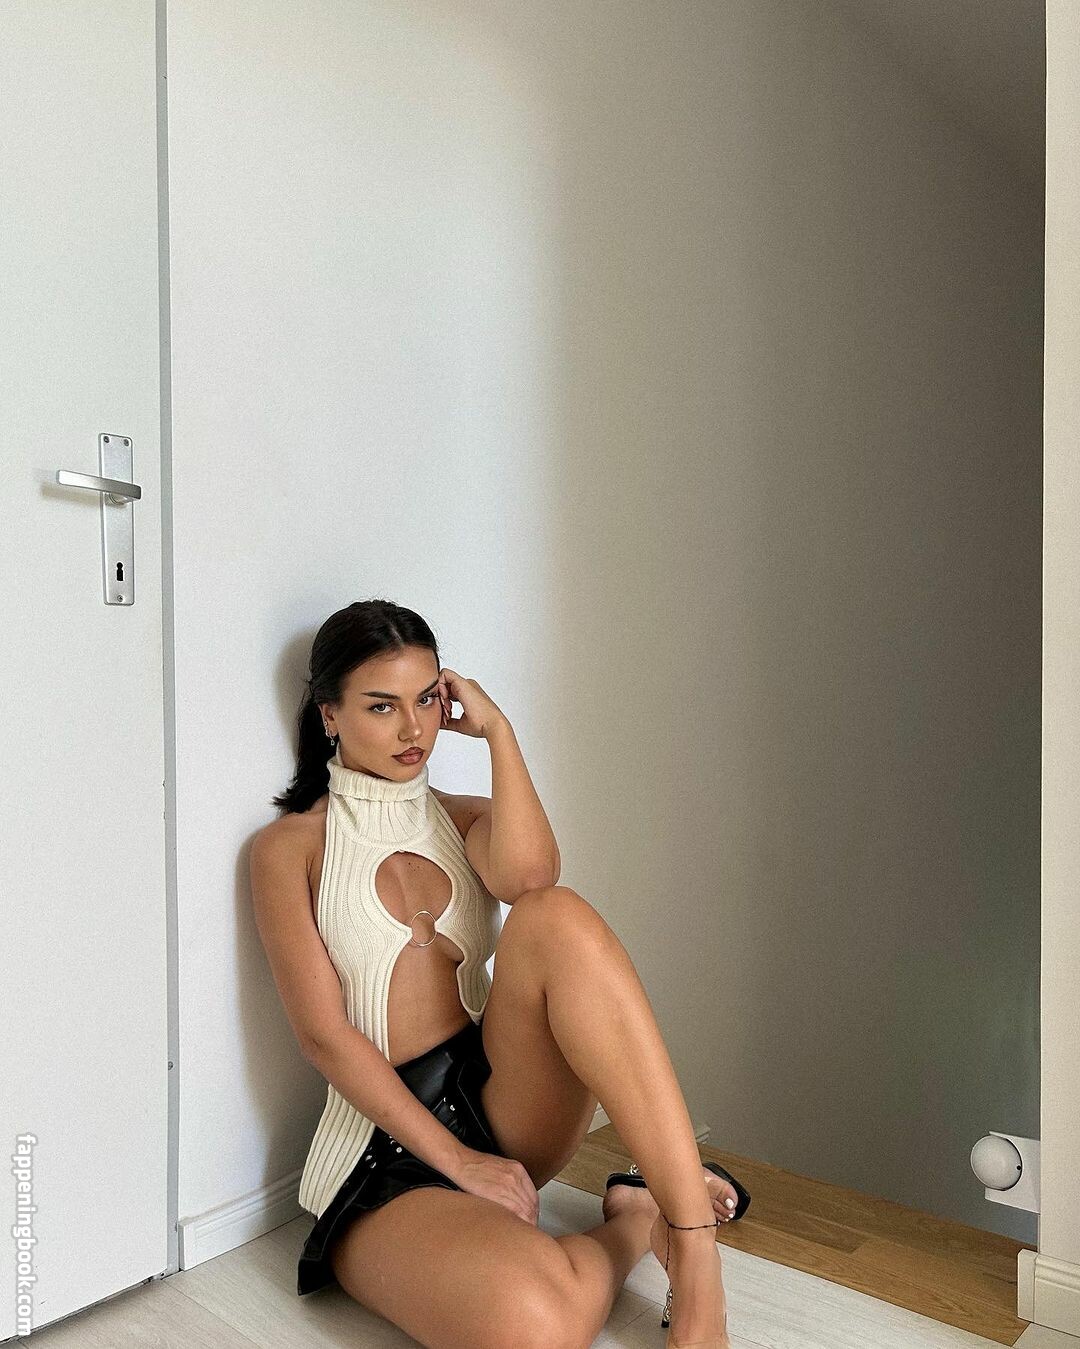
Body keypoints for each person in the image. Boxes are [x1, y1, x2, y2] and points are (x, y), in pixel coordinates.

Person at [250, 597, 747, 1349]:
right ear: (329, 715)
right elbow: (324, 1037)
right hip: (380, 1154)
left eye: (426, 700)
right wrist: (458, 1162)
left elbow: (532, 880)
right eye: (382, 706)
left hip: (496, 1100)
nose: (413, 729)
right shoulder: (288, 849)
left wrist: (500, 735)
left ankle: (694, 1249)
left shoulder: (463, 818)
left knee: (555, 915)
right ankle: (635, 1217)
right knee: (535, 1327)